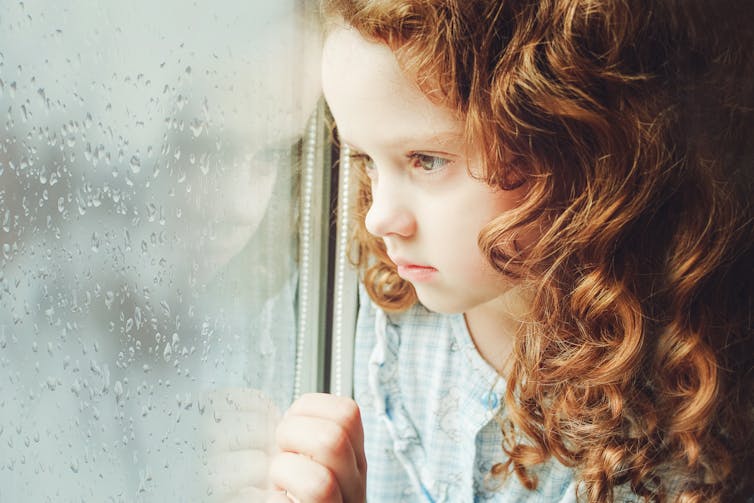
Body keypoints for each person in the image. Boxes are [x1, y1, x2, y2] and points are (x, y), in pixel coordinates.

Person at [270, 0, 754, 501]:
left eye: (428, 160)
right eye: (366, 159)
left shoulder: (675, 396)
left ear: (573, 147)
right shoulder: (388, 311)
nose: (377, 217)